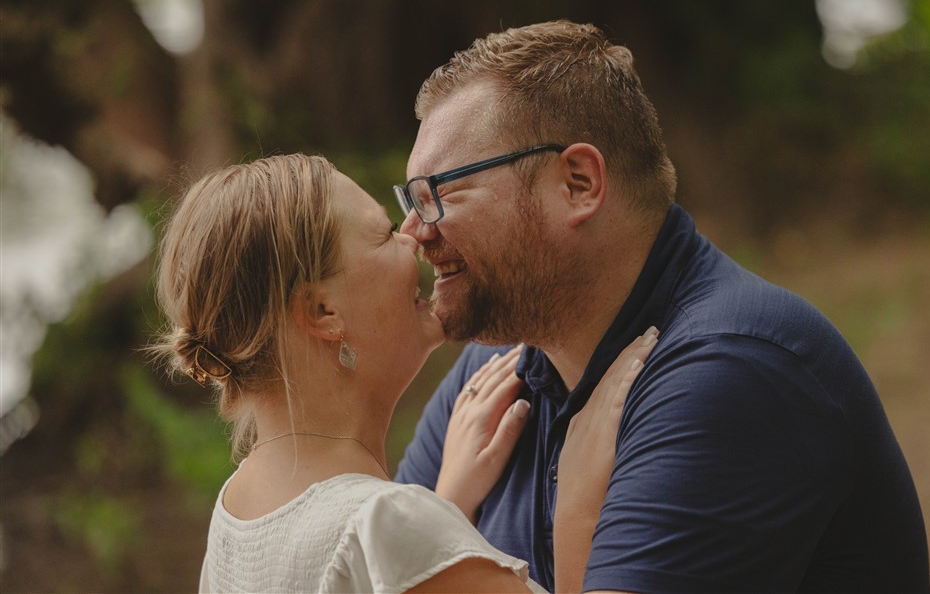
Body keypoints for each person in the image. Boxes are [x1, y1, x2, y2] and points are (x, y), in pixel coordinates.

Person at [393, 20, 930, 593]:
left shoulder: (729, 371)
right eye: (411, 199)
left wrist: (568, 523)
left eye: (438, 194)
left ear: (577, 183)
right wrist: (448, 508)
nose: (412, 232)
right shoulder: (492, 379)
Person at [151, 153, 658, 593]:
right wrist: (577, 505)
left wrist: (446, 514)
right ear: (324, 312)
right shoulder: (386, 526)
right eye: (383, 234)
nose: (414, 235)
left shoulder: (237, 517)